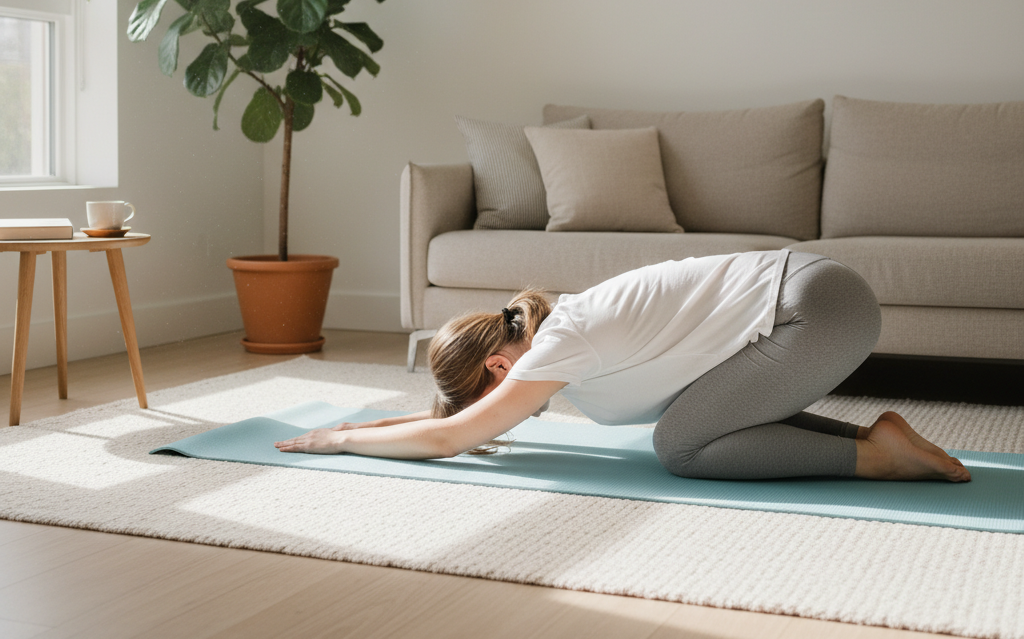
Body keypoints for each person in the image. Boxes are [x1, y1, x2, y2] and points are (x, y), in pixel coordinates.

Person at [275, 250, 971, 483]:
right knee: (697, 416)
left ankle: (875, 460)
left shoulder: (560, 345)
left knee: (680, 445)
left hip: (818, 310)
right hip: (821, 295)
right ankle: (874, 439)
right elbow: (450, 420)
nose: (504, 414)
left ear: (498, 366)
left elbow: (453, 436)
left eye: (488, 395)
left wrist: (342, 442)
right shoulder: (560, 334)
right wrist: (369, 423)